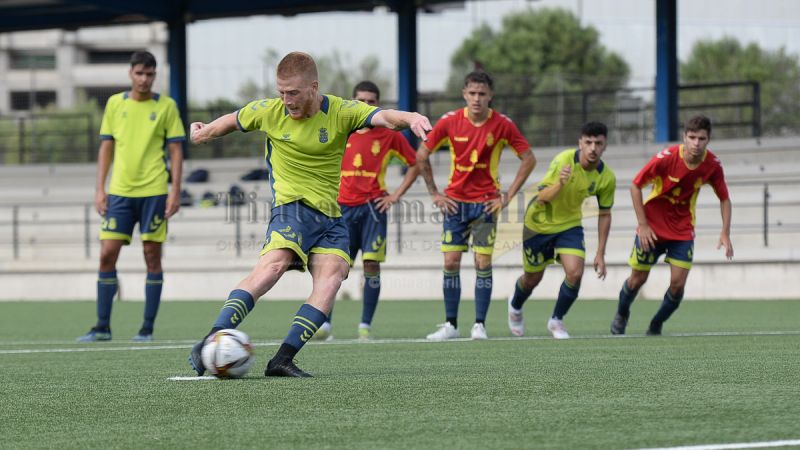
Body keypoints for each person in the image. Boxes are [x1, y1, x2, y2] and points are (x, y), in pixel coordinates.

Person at [187, 52, 431, 377]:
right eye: (281, 92)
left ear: (314, 87)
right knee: (273, 266)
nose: (286, 100)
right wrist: (203, 132)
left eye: (293, 93)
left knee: (333, 278)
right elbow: (232, 120)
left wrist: (411, 117)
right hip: (292, 208)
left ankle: (282, 359)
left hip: (331, 215)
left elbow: (383, 117)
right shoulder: (269, 111)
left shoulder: (341, 111)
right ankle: (210, 340)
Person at [416, 71, 536, 341]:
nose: (477, 98)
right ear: (464, 94)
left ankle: (479, 324)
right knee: (451, 261)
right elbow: (421, 155)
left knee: (483, 262)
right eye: (472, 93)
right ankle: (451, 324)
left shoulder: (503, 124)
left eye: (482, 94)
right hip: (454, 204)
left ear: (490, 95)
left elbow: (528, 159)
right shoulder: (449, 121)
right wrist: (435, 194)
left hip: (485, 205)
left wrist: (507, 196)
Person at [77, 51, 185, 342]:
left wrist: (175, 191)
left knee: (152, 257)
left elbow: (176, 151)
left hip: (155, 192)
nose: (144, 79)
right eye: (139, 73)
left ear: (155, 75)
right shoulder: (115, 103)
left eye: (149, 74)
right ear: (130, 74)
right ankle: (102, 327)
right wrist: (100, 189)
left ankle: (146, 329)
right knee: (106, 254)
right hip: (120, 193)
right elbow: (106, 147)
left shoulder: (166, 106)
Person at [315, 81, 419, 341]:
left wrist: (395, 195)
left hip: (373, 209)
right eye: (361, 100)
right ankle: (324, 324)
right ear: (353, 102)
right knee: (335, 267)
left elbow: (416, 164)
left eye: (371, 101)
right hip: (341, 209)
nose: (366, 105)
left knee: (371, 265)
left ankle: (365, 327)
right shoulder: (340, 129)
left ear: (378, 104)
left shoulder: (390, 135)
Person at [610, 115, 733, 336]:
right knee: (638, 279)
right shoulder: (666, 158)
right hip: (652, 229)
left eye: (701, 139)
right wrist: (643, 225)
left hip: (682, 231)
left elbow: (724, 198)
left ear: (708, 139)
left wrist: (725, 232)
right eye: (692, 137)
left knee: (677, 285)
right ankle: (622, 313)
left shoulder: (713, 165)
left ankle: (656, 324)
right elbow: (635, 186)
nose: (696, 143)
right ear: (684, 137)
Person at [507, 122, 615, 339]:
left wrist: (600, 252)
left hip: (569, 225)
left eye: (598, 143)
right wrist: (560, 183)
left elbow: (605, 214)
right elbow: (542, 197)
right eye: (588, 142)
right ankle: (515, 306)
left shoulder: (607, 177)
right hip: (538, 224)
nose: (593, 148)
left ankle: (556, 320)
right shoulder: (563, 160)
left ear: (605, 146)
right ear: (580, 143)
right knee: (532, 279)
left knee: (575, 273)